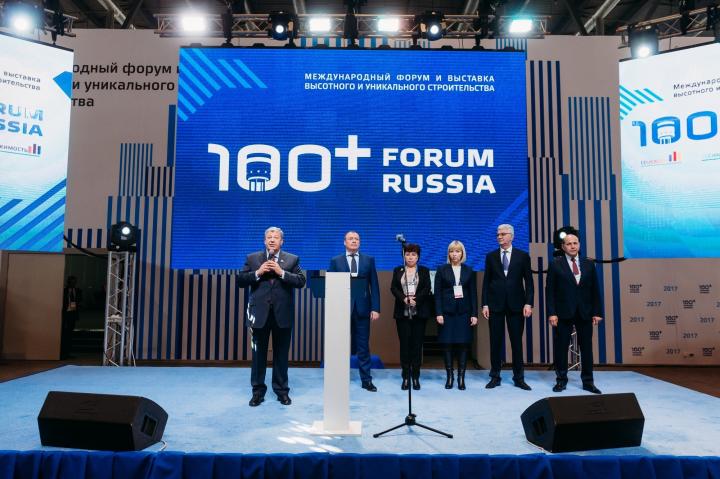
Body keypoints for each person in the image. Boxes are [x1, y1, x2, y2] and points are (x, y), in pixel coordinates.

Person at [237, 227, 306, 407]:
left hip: (282, 315)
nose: (272, 240)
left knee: (281, 355)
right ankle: (257, 393)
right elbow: (240, 281)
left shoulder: (292, 259)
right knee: (258, 356)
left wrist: (281, 272)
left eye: (276, 237)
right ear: (264, 241)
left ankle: (282, 391)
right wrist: (258, 272)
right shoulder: (253, 258)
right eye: (269, 237)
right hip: (259, 315)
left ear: (282, 242)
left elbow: (301, 281)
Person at [545, 233, 603, 394]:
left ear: (579, 245)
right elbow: (550, 291)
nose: (572, 246)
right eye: (569, 243)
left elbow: (595, 290)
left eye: (575, 243)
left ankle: (588, 382)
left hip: (585, 312)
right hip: (563, 312)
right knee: (561, 348)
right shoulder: (555, 264)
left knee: (587, 348)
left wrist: (597, 312)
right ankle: (561, 381)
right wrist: (552, 313)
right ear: (563, 247)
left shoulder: (589, 264)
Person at [481, 224, 534, 390]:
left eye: (503, 234)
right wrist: (485, 304)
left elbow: (529, 282)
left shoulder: (522, 256)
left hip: (517, 305)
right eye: (498, 234)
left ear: (511, 236)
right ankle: (495, 377)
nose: (499, 237)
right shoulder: (491, 256)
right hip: (495, 305)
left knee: (516, 343)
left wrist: (529, 303)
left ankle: (519, 378)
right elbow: (486, 283)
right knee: (495, 342)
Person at [328, 231, 381, 392]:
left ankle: (366, 380)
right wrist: (333, 309)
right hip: (341, 309)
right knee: (340, 346)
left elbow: (374, 285)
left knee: (363, 347)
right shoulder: (336, 261)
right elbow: (331, 286)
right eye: (350, 239)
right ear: (344, 242)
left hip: (363, 309)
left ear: (360, 242)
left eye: (356, 239)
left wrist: (375, 308)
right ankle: (339, 379)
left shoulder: (368, 260)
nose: (354, 241)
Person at [434, 240, 478, 390]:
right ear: (448, 253)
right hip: (446, 313)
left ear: (462, 253)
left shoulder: (469, 270)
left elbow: (473, 294)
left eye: (457, 251)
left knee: (463, 345)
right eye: (452, 251)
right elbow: (437, 294)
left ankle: (461, 377)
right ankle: (450, 376)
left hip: (464, 313)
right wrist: (439, 312)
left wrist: (474, 314)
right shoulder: (442, 269)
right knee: (447, 345)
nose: (454, 254)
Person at [390, 243, 432, 391]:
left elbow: (427, 288)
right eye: (407, 254)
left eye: (413, 254)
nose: (410, 257)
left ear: (418, 257)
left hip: (419, 313)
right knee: (405, 345)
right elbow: (393, 288)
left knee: (417, 345)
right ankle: (406, 377)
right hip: (402, 313)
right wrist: (404, 299)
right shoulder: (398, 270)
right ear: (404, 256)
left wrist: (416, 300)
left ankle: (415, 377)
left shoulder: (424, 270)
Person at [61, 276, 82, 359]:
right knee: (63, 333)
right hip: (64, 314)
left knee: (70, 334)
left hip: (73, 314)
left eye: (74, 282)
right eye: (71, 282)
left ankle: (68, 352)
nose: (73, 283)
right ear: (68, 282)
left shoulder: (78, 291)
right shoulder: (63, 291)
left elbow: (80, 300)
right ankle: (62, 352)